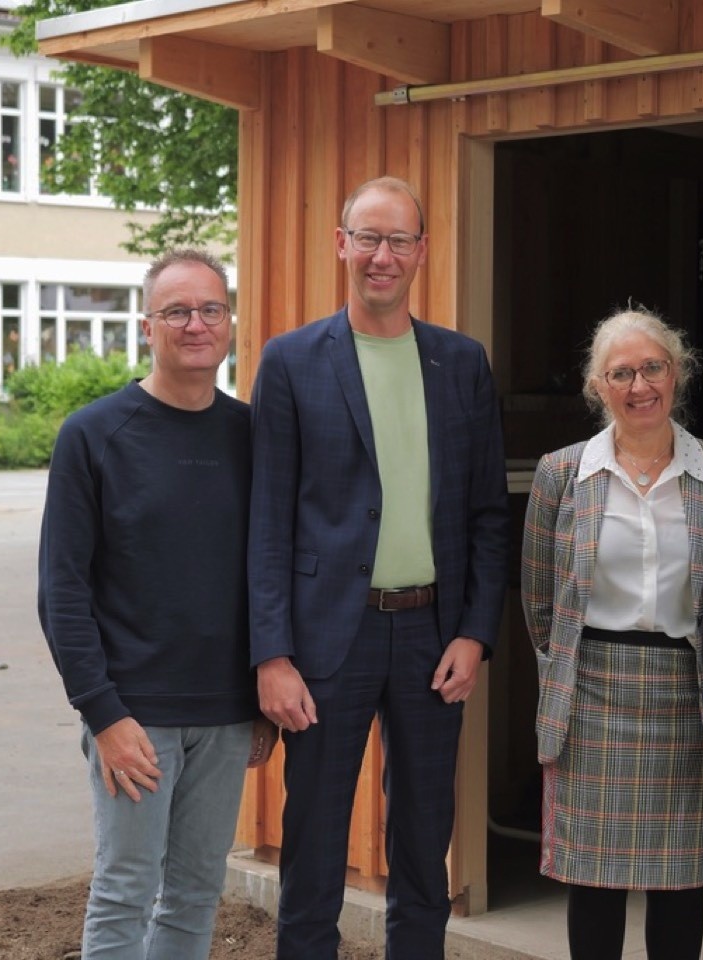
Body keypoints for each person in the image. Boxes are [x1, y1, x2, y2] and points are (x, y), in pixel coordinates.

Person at [248, 176, 509, 959]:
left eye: (399, 240)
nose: (382, 255)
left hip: (434, 636)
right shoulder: (292, 361)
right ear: (341, 244)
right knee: (316, 845)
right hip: (328, 641)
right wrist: (271, 654)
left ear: (422, 252)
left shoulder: (462, 363)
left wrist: (475, 634)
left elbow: (489, 514)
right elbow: (266, 522)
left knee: (425, 846)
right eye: (368, 237)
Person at [38, 248, 275, 959]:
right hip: (134, 717)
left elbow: (269, 573)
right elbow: (61, 591)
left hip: (228, 717)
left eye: (209, 309)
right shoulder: (94, 434)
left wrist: (261, 698)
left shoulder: (252, 435)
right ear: (148, 326)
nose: (194, 324)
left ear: (229, 323)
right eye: (176, 311)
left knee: (197, 895)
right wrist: (103, 713)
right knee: (124, 891)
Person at [520, 306, 703, 960]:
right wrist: (570, 668)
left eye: (652, 368)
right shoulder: (562, 473)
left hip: (686, 698)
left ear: (678, 374)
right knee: (592, 884)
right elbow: (540, 603)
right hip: (591, 698)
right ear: (598, 388)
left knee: (680, 886)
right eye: (620, 373)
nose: (639, 385)